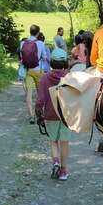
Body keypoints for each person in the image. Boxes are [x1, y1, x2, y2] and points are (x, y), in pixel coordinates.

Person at [35, 48, 71, 181]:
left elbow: (40, 100)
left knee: (53, 141)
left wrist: (38, 113)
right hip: (66, 115)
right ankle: (63, 171)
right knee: (65, 142)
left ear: (51, 62)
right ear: (65, 63)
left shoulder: (45, 78)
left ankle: (55, 161)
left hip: (50, 114)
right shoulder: (69, 77)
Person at [20, 24, 48, 124]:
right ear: (38, 33)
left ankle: (31, 116)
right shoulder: (40, 43)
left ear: (30, 31)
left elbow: (21, 57)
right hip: (39, 71)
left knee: (29, 94)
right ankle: (40, 115)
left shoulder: (23, 43)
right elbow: (44, 57)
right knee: (40, 94)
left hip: (28, 71)